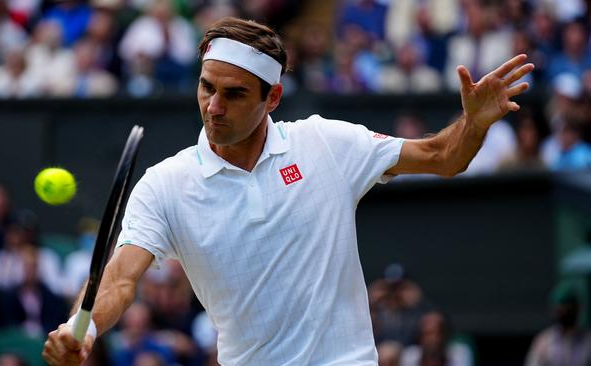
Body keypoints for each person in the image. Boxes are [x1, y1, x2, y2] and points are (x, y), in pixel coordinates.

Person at [43, 17, 534, 366]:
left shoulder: (326, 142)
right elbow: (119, 280)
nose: (213, 107)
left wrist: (473, 122)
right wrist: (78, 332)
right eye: (206, 87)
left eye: (234, 94)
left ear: (272, 98)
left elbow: (442, 157)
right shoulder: (165, 185)